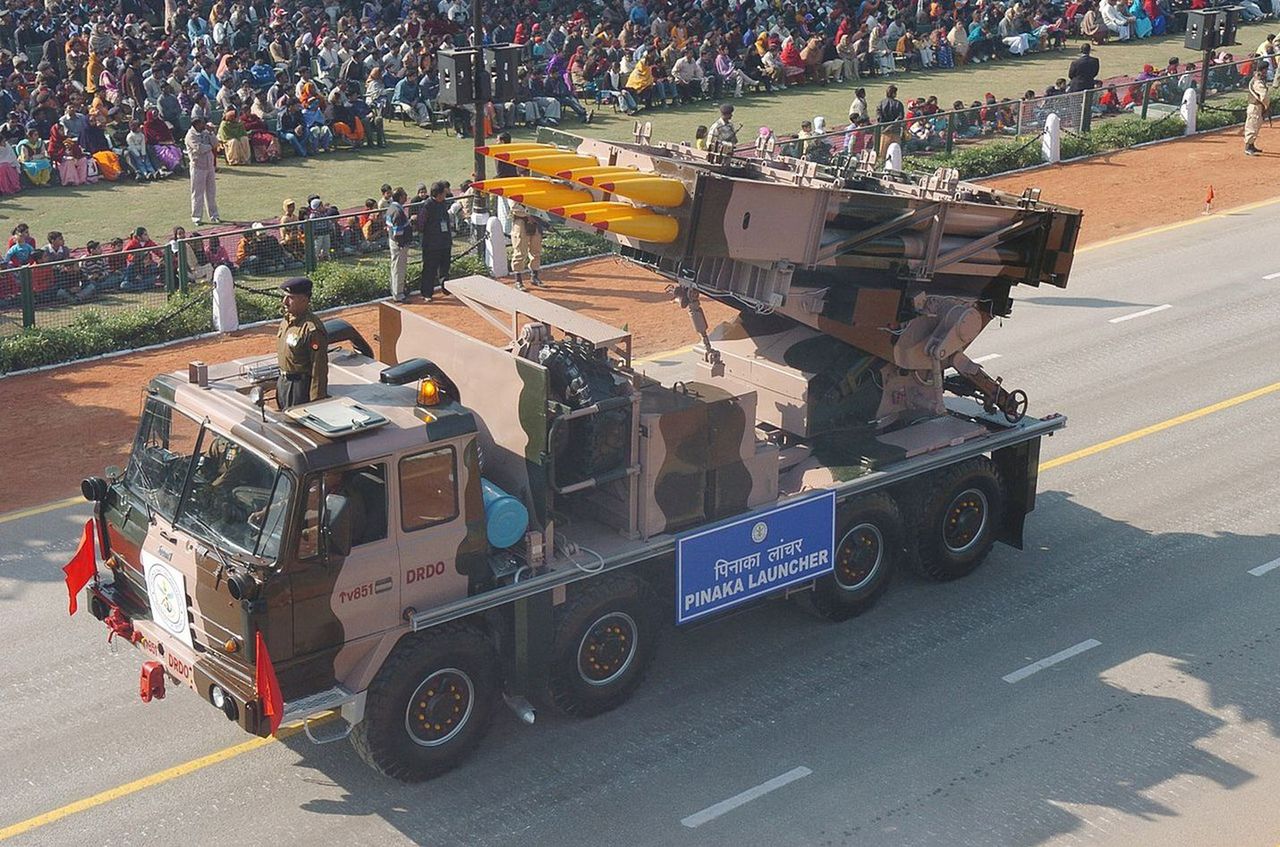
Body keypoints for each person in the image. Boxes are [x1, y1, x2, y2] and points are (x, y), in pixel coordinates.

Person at [276, 276, 328, 409]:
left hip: (299, 388)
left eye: (290, 298)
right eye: (285, 297)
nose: (285, 302)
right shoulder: (286, 321)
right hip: (283, 383)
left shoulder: (312, 329)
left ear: (304, 299)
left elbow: (319, 368)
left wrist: (317, 400)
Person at [420, 181, 452, 301]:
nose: (445, 194)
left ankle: (446, 287)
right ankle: (427, 293)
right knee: (430, 269)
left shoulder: (444, 203)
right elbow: (421, 224)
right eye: (443, 192)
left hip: (445, 241)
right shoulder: (427, 206)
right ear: (438, 194)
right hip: (431, 244)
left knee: (445, 267)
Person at [186, 116, 220, 224]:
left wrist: (211, 134)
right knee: (197, 194)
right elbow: (200, 149)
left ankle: (214, 215)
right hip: (198, 168)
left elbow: (215, 143)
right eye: (201, 123)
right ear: (196, 124)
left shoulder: (206, 132)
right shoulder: (190, 136)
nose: (203, 125)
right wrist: (210, 146)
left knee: (211, 192)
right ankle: (196, 217)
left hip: (209, 166)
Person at [385, 186, 411, 301]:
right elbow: (398, 233)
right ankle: (398, 294)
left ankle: (397, 291)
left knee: (396, 267)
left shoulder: (392, 208)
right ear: (400, 197)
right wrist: (402, 244)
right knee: (399, 268)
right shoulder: (398, 212)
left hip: (394, 243)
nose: (406, 197)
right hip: (399, 244)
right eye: (405, 195)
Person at [510, 203, 544, 290]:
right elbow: (514, 207)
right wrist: (529, 214)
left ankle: (534, 276)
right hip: (521, 222)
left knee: (536, 251)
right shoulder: (513, 190)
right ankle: (518, 280)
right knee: (520, 252)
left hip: (536, 222)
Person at [1245, 65, 1270, 156]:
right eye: (1265, 70)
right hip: (1255, 107)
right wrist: (1267, 105)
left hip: (1258, 106)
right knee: (1252, 126)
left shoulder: (1257, 79)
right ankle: (1248, 147)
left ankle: (1251, 145)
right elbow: (1264, 95)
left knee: (1256, 126)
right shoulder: (1257, 81)